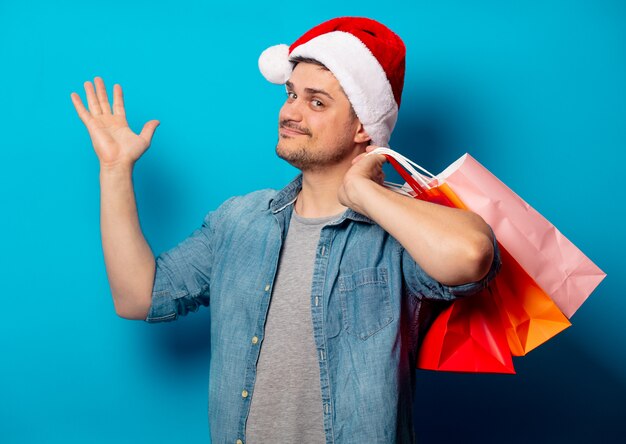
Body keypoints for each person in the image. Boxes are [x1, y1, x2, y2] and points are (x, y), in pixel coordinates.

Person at [71, 16, 501, 444]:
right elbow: (137, 296)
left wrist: (366, 193)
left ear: (362, 127)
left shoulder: (400, 227)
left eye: (316, 102)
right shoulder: (238, 220)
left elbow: (471, 255)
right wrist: (114, 170)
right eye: (291, 94)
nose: (290, 112)